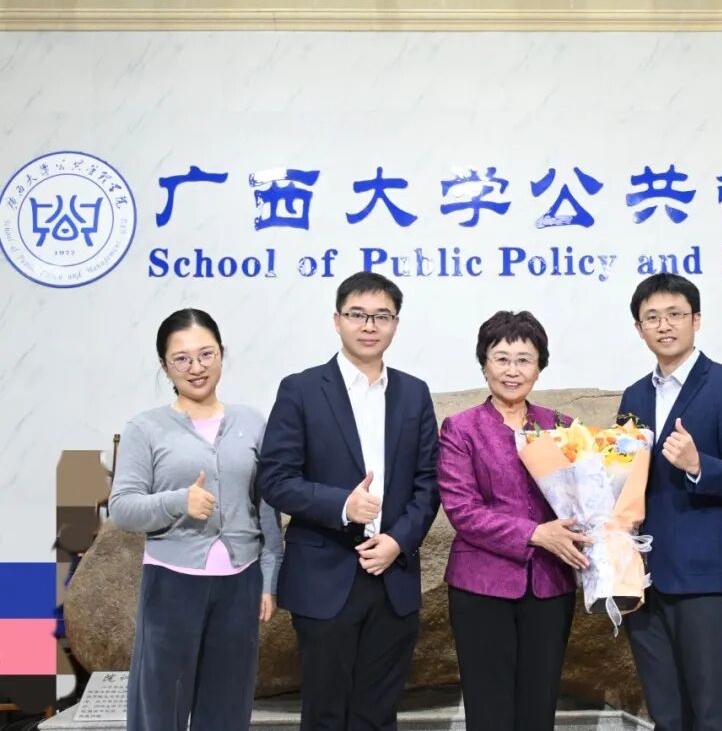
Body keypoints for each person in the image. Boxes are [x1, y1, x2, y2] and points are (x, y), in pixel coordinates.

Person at [257, 272, 440, 731]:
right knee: (325, 715)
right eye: (358, 314)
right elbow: (275, 480)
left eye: (382, 316)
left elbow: (429, 483)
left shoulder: (414, 392)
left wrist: (398, 541)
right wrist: (342, 506)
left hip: (393, 575)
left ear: (396, 324)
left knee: (378, 715)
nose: (369, 325)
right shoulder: (300, 389)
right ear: (337, 320)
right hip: (325, 575)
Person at [110, 308, 282, 731]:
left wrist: (269, 578)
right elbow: (123, 508)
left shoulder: (252, 422)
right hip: (172, 582)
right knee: (159, 708)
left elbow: (267, 508)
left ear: (222, 353)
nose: (196, 367)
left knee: (227, 708)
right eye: (181, 359)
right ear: (164, 365)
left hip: (240, 581)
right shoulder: (145, 428)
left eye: (206, 354)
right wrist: (178, 501)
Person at [618, 273, 722, 731]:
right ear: (639, 328)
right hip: (642, 577)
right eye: (652, 318)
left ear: (696, 320)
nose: (664, 326)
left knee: (711, 710)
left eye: (675, 315)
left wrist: (699, 464)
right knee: (665, 711)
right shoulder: (634, 395)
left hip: (703, 575)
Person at [436, 310, 586, 731]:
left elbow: (583, 500)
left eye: (524, 359)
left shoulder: (562, 427)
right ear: (484, 364)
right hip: (481, 587)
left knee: (539, 706)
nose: (512, 370)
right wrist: (535, 533)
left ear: (540, 366)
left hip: (550, 585)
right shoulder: (460, 429)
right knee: (489, 710)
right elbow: (463, 511)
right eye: (501, 359)